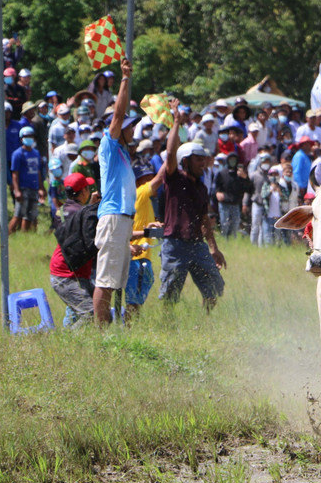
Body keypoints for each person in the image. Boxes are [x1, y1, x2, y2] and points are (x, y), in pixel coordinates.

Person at [157, 99, 226, 311]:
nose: (203, 163)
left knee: (214, 286)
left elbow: (204, 219)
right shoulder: (174, 178)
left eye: (204, 159)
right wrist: (176, 122)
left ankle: (205, 323)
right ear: (185, 161)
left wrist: (213, 248)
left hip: (197, 245)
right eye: (198, 160)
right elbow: (169, 154)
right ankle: (167, 328)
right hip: (175, 244)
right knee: (170, 292)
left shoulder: (202, 188)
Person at [92, 58, 140, 325]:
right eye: (130, 125)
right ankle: (100, 333)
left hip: (122, 219)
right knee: (106, 280)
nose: (133, 129)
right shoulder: (109, 145)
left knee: (114, 280)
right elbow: (119, 115)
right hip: (112, 218)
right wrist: (124, 79)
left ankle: (107, 327)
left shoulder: (123, 152)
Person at [50, 173, 99, 327]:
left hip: (65, 269)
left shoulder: (62, 210)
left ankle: (72, 339)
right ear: (83, 191)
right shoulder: (81, 212)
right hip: (67, 274)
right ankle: (68, 342)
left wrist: (89, 207)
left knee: (97, 309)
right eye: (87, 188)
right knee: (91, 314)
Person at [126, 163, 162, 318]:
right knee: (133, 302)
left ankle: (131, 329)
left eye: (151, 177)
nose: (150, 182)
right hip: (137, 257)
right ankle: (129, 331)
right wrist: (171, 157)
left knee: (136, 301)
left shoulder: (146, 201)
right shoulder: (140, 193)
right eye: (146, 179)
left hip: (141, 257)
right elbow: (160, 179)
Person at [9, 126, 45, 233]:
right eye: (26, 136)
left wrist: (41, 187)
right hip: (23, 187)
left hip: (33, 187)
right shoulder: (17, 154)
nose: (29, 138)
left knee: (30, 216)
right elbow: (15, 174)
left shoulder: (36, 153)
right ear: (21, 139)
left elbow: (37, 171)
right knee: (18, 215)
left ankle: (25, 235)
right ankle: (8, 234)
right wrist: (17, 190)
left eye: (30, 136)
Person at [214, 151, 252, 238]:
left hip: (235, 204)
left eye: (234, 160)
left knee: (234, 226)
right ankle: (224, 242)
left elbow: (249, 188)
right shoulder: (222, 173)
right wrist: (217, 193)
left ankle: (232, 243)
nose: (233, 161)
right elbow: (217, 187)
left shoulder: (240, 174)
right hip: (224, 204)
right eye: (231, 159)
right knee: (224, 225)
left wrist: (245, 178)